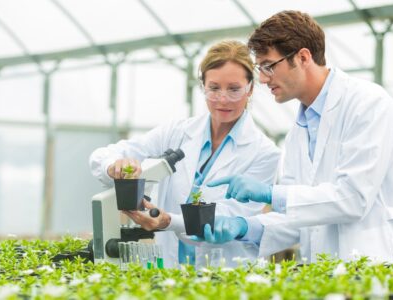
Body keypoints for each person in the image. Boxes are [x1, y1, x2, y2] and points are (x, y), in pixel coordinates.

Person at [199, 11, 393, 262]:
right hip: (331, 272)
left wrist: (270, 193)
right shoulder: (297, 134)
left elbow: (353, 198)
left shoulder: (368, 105)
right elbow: (296, 216)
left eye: (268, 66)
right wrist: (246, 226)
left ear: (302, 57)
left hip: (387, 263)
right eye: (260, 68)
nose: (264, 79)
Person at [89, 40, 281, 268]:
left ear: (250, 88)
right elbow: (104, 155)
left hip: (226, 271)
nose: (222, 99)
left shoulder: (264, 153)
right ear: (203, 86)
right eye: (214, 88)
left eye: (234, 89)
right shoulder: (177, 132)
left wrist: (166, 221)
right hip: (169, 268)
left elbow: (227, 219)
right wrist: (115, 165)